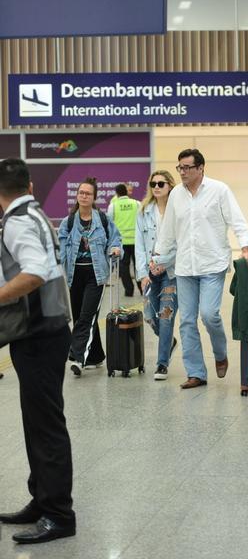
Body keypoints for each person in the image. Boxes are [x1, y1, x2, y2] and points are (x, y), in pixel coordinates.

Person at [0, 158, 75, 543]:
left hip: (39, 333)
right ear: (29, 186)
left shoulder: (16, 222)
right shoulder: (35, 213)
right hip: (47, 330)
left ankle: (59, 514)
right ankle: (42, 500)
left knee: (45, 426)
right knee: (37, 421)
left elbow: (34, 272)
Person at [155, 148, 248, 389]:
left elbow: (236, 219)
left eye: (187, 167)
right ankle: (196, 372)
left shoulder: (219, 190)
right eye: (180, 168)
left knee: (209, 315)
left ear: (201, 168)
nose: (183, 172)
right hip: (185, 266)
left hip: (212, 263)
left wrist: (246, 246)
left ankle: (220, 354)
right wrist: (158, 256)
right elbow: (168, 229)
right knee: (187, 321)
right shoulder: (176, 194)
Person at [58, 178, 121, 377]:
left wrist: (115, 249)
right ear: (77, 196)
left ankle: (78, 357)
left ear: (94, 197)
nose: (84, 196)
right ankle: (95, 356)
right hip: (74, 275)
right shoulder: (68, 222)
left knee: (87, 315)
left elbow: (115, 239)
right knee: (80, 317)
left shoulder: (102, 220)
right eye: (81, 192)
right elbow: (60, 251)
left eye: (88, 193)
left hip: (96, 274)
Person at [135, 170, 178, 380]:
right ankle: (169, 342)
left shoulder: (178, 210)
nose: (157, 187)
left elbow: (182, 243)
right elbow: (139, 245)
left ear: (170, 185)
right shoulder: (144, 211)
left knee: (166, 316)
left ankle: (162, 364)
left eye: (161, 183)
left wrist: (164, 263)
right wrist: (143, 273)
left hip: (171, 272)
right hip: (150, 273)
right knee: (150, 316)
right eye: (153, 183)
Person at [108, 183, 141, 296]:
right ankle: (142, 289)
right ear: (127, 192)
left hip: (122, 242)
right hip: (136, 241)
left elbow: (110, 224)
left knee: (124, 268)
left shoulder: (113, 205)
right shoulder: (136, 203)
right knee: (139, 266)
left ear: (117, 193)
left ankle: (129, 290)